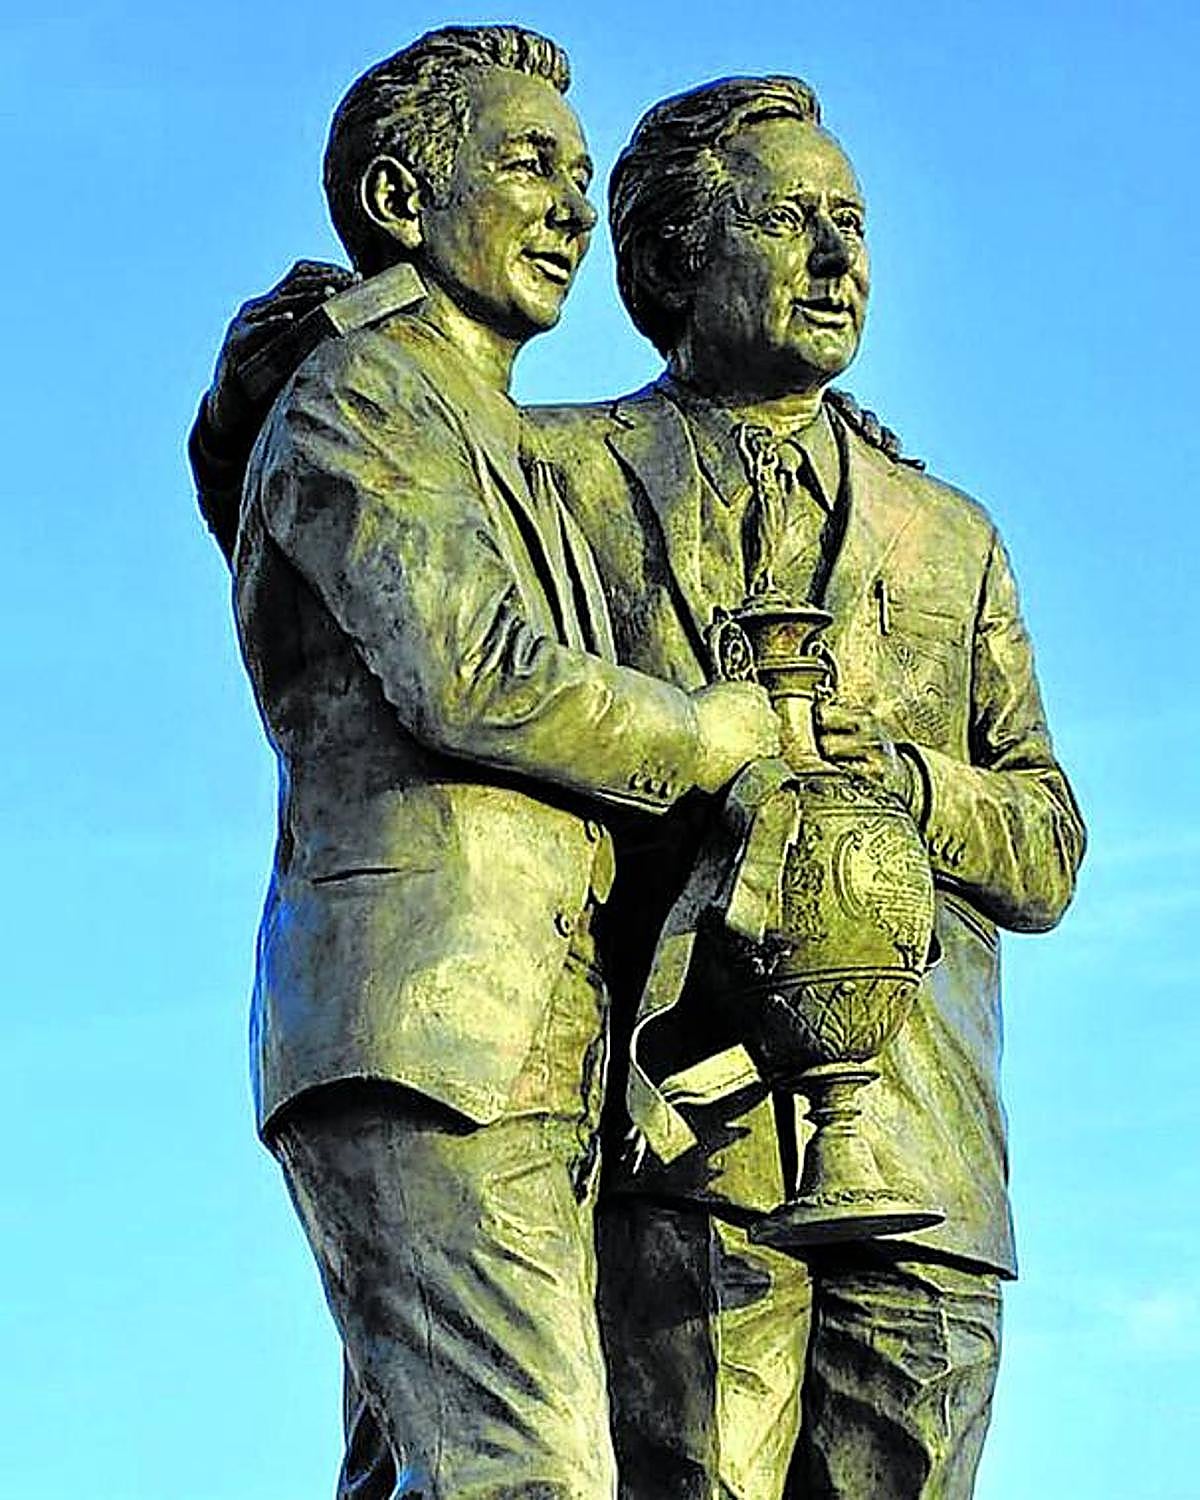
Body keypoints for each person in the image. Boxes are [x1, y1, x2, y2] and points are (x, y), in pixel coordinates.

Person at [193, 67, 1085, 1500]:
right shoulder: (547, 466)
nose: (838, 259)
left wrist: (912, 785)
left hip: (924, 1158)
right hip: (677, 1149)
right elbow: (374, 601)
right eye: (789, 221)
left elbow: (1047, 845)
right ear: (673, 259)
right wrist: (259, 390)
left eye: (853, 224)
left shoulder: (949, 534)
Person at [195, 28, 779, 1498]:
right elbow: (473, 672)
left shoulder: (488, 431)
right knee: (529, 1473)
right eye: (529, 164)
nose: (573, 207)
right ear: (402, 198)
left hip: (516, 1037)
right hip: (429, 1025)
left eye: (581, 174)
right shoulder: (363, 396)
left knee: (429, 1470)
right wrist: (707, 732)